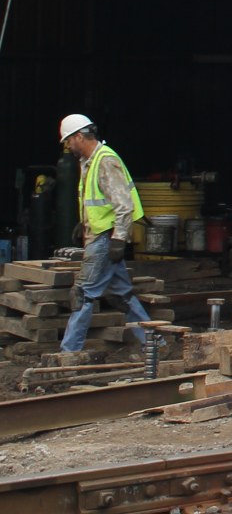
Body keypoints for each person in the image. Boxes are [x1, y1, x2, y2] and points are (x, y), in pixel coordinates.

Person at [56, 114, 155, 357]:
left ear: (80, 136)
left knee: (82, 294)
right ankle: (153, 343)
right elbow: (100, 201)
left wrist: (119, 239)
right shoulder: (89, 161)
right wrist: (84, 222)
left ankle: (68, 353)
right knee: (123, 295)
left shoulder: (105, 160)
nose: (67, 146)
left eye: (68, 140)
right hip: (100, 235)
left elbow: (123, 205)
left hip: (104, 239)